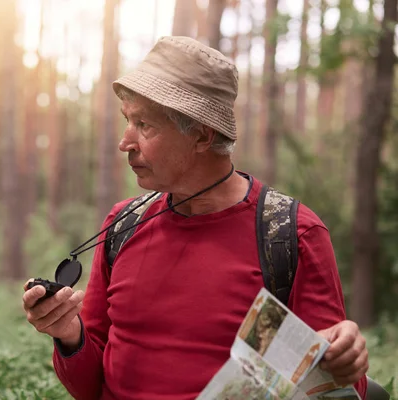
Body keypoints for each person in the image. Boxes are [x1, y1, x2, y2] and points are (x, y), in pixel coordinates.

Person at [22, 36, 369, 399]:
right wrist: (68, 335)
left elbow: (336, 387)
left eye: (145, 125)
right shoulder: (122, 224)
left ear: (202, 136)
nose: (126, 142)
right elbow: (90, 385)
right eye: (128, 120)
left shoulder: (290, 234)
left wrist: (346, 358)